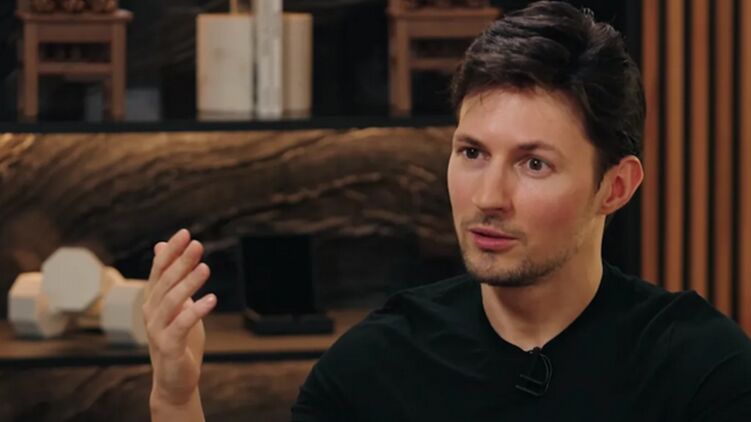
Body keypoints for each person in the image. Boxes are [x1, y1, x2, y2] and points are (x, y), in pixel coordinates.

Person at [143, 1, 751, 421]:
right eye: (472, 153)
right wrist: (175, 399)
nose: (488, 197)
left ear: (615, 187)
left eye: (534, 163)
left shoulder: (699, 368)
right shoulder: (376, 365)